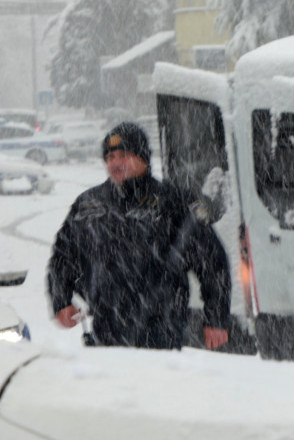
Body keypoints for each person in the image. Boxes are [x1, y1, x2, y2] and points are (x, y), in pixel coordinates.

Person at [47, 121, 231, 350]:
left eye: (123, 155)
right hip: (106, 331)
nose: (115, 163)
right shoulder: (89, 205)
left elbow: (212, 263)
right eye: (110, 157)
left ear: (143, 158)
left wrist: (216, 319)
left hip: (162, 332)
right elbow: (62, 258)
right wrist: (61, 301)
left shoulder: (174, 201)